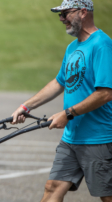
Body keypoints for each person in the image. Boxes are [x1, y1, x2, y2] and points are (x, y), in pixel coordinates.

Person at [11, 0, 112, 201]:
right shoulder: (72, 48)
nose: (61, 18)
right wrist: (26, 106)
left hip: (98, 138)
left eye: (66, 13)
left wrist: (68, 113)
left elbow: (105, 93)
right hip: (71, 137)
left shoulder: (102, 44)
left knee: (107, 196)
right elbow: (59, 83)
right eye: (60, 14)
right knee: (52, 188)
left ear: (83, 12)